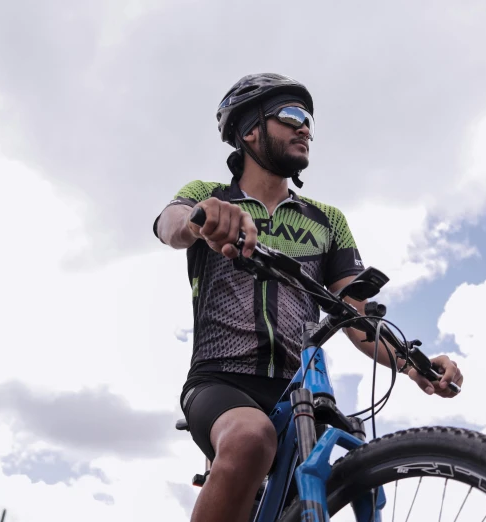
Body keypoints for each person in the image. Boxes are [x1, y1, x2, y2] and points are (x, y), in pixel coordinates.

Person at [153, 73, 464, 522]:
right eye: (292, 116)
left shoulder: (328, 220)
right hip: (222, 381)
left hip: (300, 392)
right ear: (249, 131)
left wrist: (416, 366)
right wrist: (203, 220)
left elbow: (357, 320)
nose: (305, 128)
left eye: (309, 122)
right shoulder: (210, 196)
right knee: (249, 438)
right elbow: (170, 225)